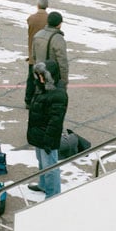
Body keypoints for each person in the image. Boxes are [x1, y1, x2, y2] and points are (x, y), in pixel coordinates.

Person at [26, 60, 68, 197]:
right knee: (42, 162)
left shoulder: (58, 95)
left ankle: (53, 194)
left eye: (42, 75)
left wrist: (48, 140)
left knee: (50, 167)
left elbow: (55, 121)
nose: (40, 78)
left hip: (47, 136)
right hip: (40, 133)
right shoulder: (42, 88)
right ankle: (43, 184)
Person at [31, 11, 69, 91]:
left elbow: (34, 56)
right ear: (59, 24)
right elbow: (62, 62)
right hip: (52, 78)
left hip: (39, 75)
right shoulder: (58, 39)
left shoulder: (38, 35)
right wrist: (64, 81)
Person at [25, 0, 50, 105]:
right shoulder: (49, 19)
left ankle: (28, 100)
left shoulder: (31, 18)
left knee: (31, 78)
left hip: (33, 53)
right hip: (45, 54)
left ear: (38, 5)